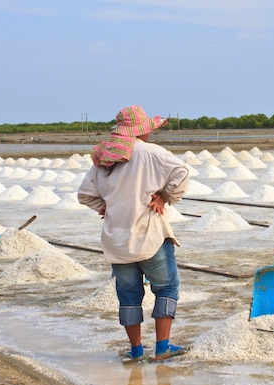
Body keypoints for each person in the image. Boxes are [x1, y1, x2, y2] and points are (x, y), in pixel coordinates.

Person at [78, 105, 190, 361]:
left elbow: (84, 194)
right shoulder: (150, 152)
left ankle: (136, 350)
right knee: (167, 288)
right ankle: (162, 347)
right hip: (149, 236)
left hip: (118, 241)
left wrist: (105, 206)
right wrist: (165, 195)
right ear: (143, 131)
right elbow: (182, 172)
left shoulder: (105, 157)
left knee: (129, 295)